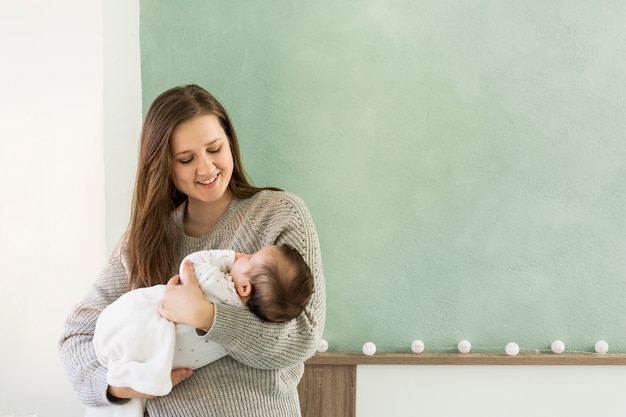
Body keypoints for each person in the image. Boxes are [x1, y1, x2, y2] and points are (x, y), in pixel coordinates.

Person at [58, 84, 326, 417]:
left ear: (230, 142)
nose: (206, 168)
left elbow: (302, 337)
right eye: (186, 159)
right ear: (164, 166)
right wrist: (118, 386)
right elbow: (76, 334)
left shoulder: (278, 214)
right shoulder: (148, 238)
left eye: (215, 149)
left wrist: (206, 316)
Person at [88, 245, 314, 417]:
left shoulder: (217, 284)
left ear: (245, 287)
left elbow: (192, 264)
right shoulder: (252, 318)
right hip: (155, 353)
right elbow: (77, 330)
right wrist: (115, 390)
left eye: (251, 258)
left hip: (139, 330)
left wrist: (227, 258)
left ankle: (132, 372)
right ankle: (140, 374)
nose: (244, 254)